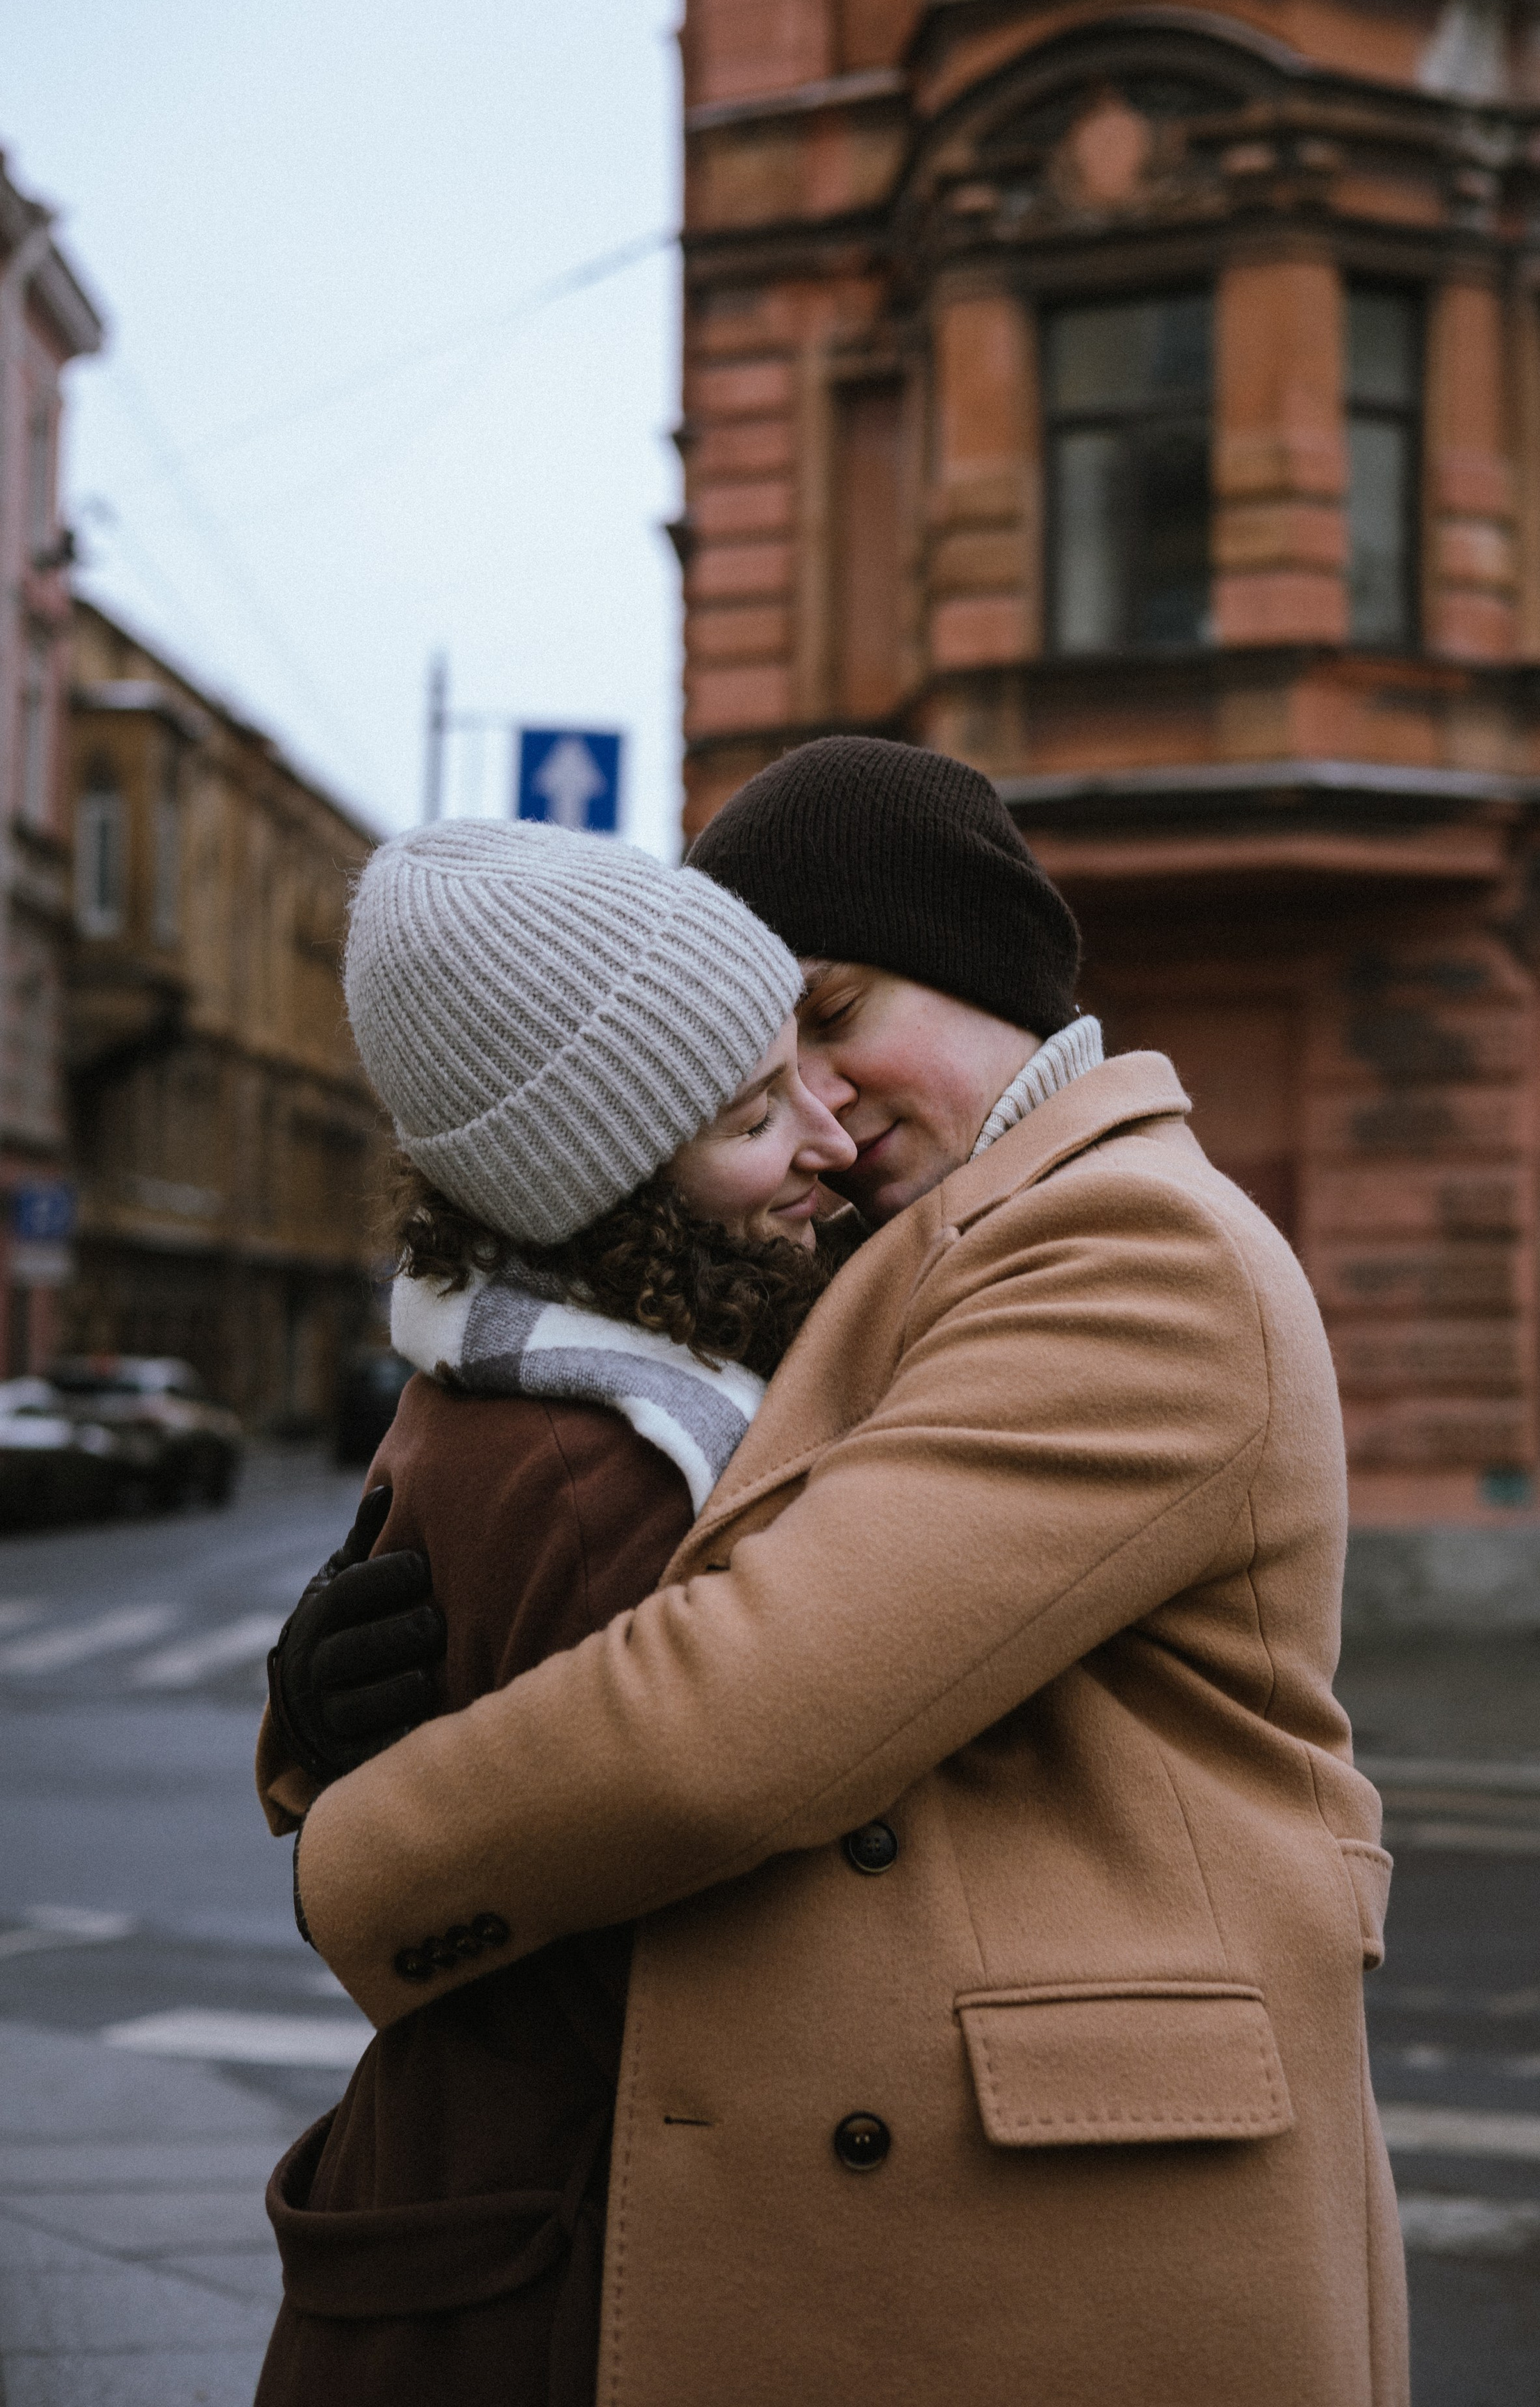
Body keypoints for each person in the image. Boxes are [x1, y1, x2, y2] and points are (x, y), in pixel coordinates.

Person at [261, 738, 1409, 2407]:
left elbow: (745, 1703)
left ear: (981, 975)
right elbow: (551, 1510)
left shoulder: (1127, 1245)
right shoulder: (884, 1249)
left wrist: (345, 1857)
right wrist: (326, 1701)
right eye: (753, 1049)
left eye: (832, 1011)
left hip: (1073, 2217)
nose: (806, 1095)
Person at [255, 816, 855, 2405]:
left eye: (807, 1065)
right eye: (752, 1114)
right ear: (603, 1179)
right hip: (554, 2271)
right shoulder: (616, 1463)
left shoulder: (530, 1365)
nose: (831, 1140)